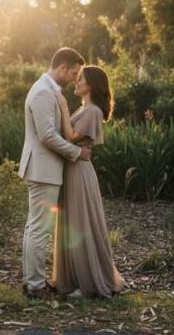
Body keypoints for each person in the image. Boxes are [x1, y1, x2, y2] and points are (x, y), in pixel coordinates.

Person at [19, 47, 92, 299]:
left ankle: (33, 283)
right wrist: (76, 152)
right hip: (43, 169)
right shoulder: (42, 92)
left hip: (43, 168)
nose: (74, 78)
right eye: (73, 72)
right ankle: (36, 287)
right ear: (62, 68)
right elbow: (47, 135)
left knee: (35, 227)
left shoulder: (48, 90)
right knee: (39, 229)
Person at [51, 65, 124, 298]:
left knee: (82, 224)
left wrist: (62, 107)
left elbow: (71, 137)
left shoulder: (92, 111)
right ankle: (74, 279)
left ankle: (89, 283)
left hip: (80, 172)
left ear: (90, 85)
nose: (76, 82)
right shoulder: (85, 108)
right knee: (72, 223)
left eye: (80, 79)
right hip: (73, 168)